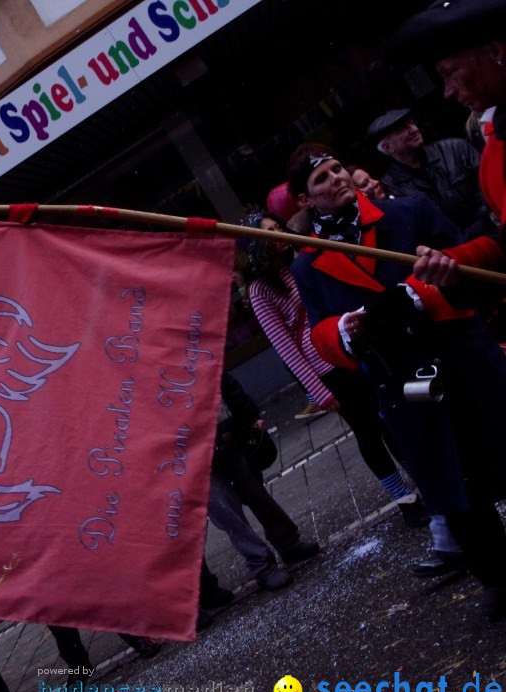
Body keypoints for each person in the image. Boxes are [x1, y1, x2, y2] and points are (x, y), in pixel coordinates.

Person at [286, 142, 506, 620]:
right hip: (402, 383)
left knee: (499, 452)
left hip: (462, 358)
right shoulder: (307, 264)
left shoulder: (407, 212)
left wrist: (424, 291)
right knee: (452, 485)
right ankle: (496, 576)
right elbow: (319, 332)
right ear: (306, 201)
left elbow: (476, 261)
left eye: (337, 168)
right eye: (321, 179)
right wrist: (345, 330)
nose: (336, 179)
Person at [245, 212, 435, 530]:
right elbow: (285, 347)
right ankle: (404, 499)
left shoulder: (305, 255)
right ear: (257, 246)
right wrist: (318, 391)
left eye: (278, 226)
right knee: (367, 431)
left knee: (393, 420)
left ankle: (426, 484)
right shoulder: (260, 290)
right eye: (269, 233)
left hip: (352, 347)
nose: (278, 234)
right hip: (326, 367)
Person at [388, 0, 506, 337]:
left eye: (449, 72)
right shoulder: (495, 155)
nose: (448, 92)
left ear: (495, 50)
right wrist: (456, 264)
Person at [207, 371, 320, 591]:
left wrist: (249, 416)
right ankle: (264, 565)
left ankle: (286, 543)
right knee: (229, 513)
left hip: (224, 435)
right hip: (191, 455)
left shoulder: (192, 346)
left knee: (256, 494)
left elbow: (223, 379)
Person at [367, 108, 493, 238]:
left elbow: (489, 185)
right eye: (402, 129)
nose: (414, 129)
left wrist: (480, 225)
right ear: (388, 148)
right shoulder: (390, 187)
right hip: (446, 253)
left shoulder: (456, 149)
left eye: (411, 123)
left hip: (490, 234)